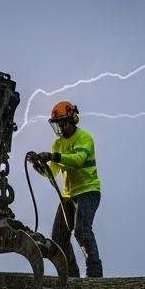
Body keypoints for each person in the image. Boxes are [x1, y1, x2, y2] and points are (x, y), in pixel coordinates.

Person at [29, 101, 104, 278]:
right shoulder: (58, 144)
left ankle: (94, 273)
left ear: (72, 119)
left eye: (63, 123)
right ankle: (72, 276)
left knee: (82, 230)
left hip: (88, 192)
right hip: (68, 196)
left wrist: (53, 156)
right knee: (59, 237)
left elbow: (78, 160)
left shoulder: (84, 138)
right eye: (57, 124)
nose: (60, 127)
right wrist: (39, 166)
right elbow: (52, 173)